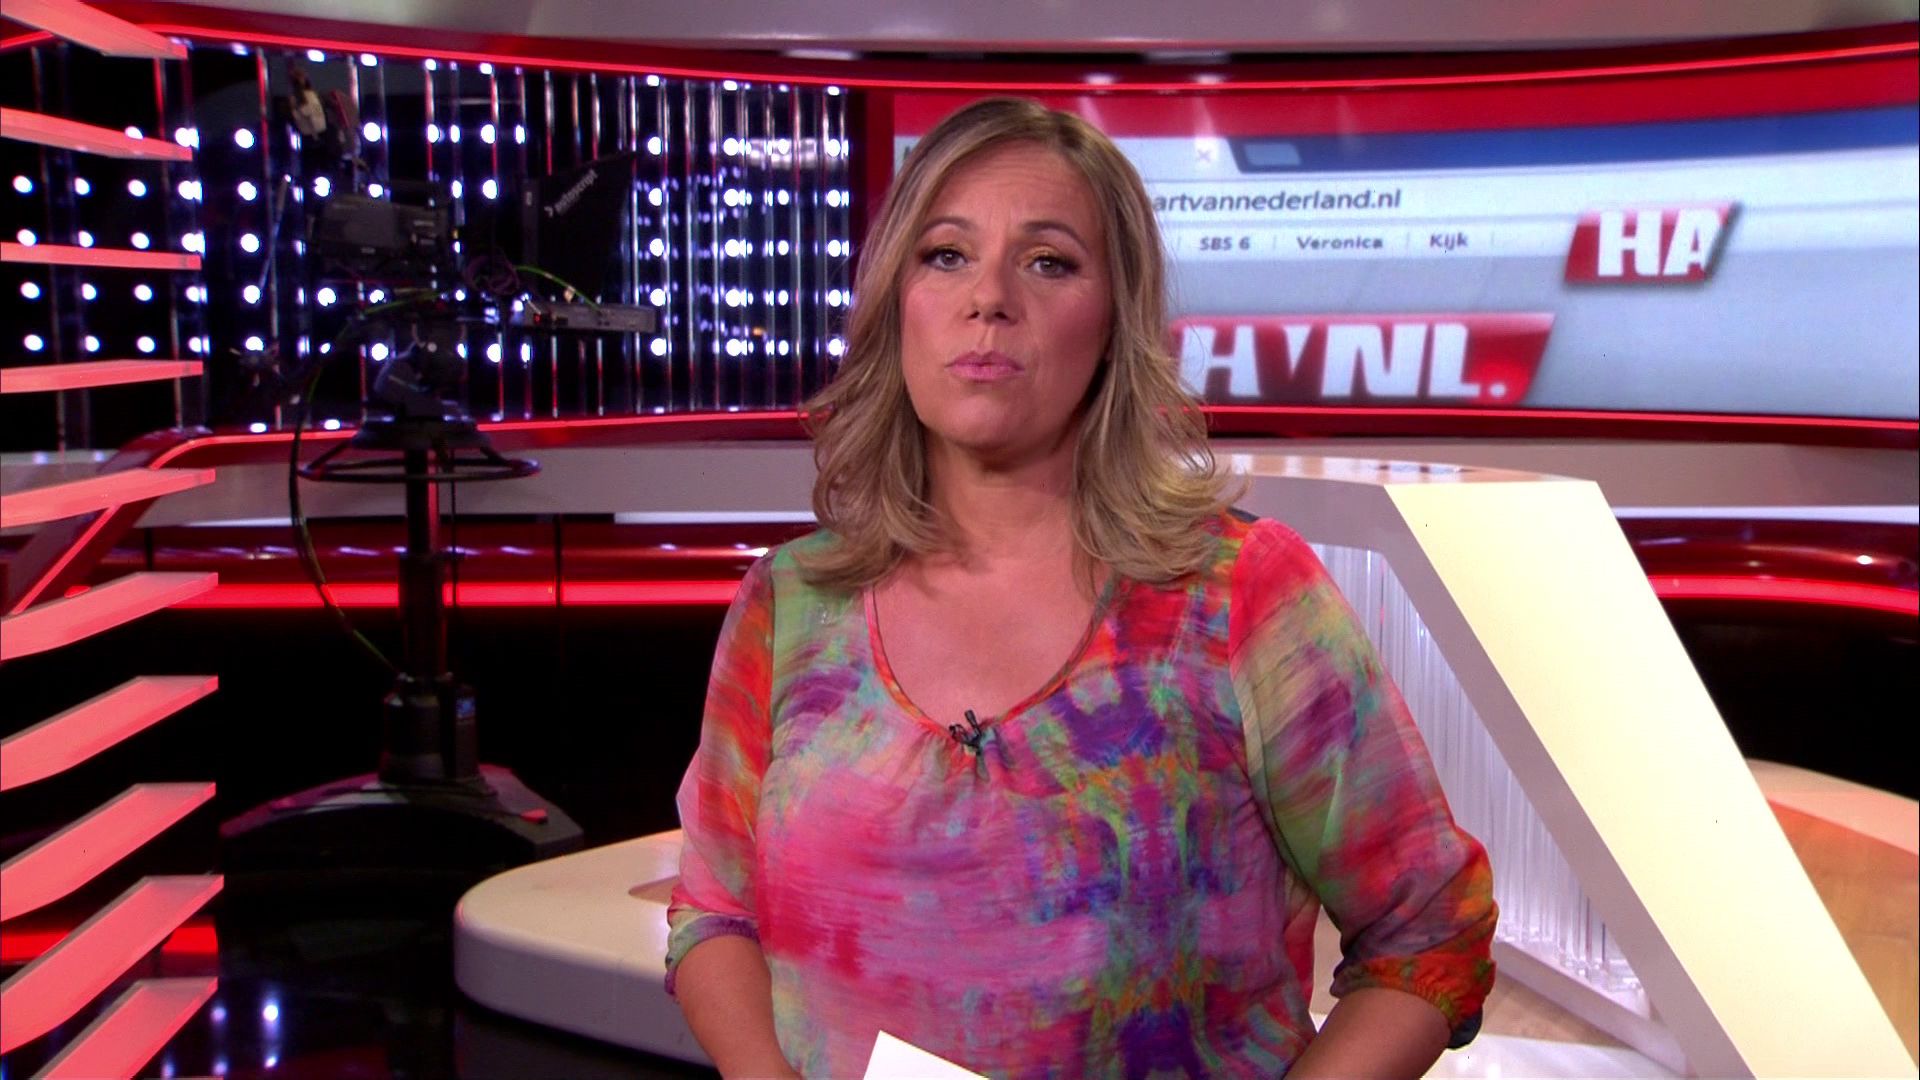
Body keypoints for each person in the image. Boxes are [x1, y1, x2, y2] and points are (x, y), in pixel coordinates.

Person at [666, 96, 1496, 1078]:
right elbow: (713, 911)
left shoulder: (1239, 597)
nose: (989, 298)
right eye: (946, 254)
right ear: (895, 304)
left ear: (1114, 323)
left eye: (1049, 261)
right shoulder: (792, 604)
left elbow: (1427, 936)